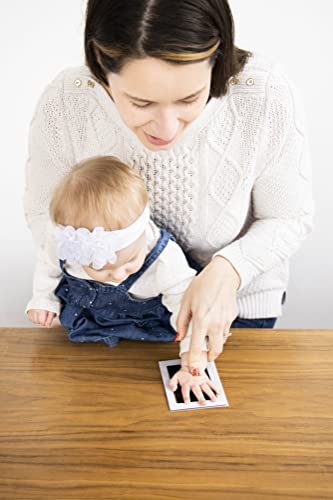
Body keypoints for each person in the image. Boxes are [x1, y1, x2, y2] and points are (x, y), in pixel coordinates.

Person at [24, 0, 313, 375]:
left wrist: (229, 270)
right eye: (141, 103)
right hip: (104, 316)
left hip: (234, 311)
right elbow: (43, 215)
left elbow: (289, 217)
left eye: (190, 99)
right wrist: (105, 271)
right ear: (100, 64)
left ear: (218, 57)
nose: (167, 128)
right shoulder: (67, 102)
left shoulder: (263, 94)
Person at [26, 155, 225, 405]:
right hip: (91, 328)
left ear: (142, 235)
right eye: (102, 270)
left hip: (149, 335)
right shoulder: (66, 241)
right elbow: (48, 265)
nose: (119, 275)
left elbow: (189, 310)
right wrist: (43, 299)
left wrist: (191, 364)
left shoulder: (164, 259)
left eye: (130, 262)